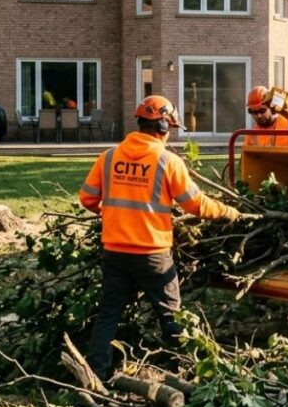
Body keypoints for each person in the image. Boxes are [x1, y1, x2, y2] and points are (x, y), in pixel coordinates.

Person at [78, 94, 241, 380]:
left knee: (108, 315)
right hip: (152, 254)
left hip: (115, 252)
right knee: (171, 315)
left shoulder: (109, 157)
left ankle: (95, 375)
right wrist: (228, 212)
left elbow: (87, 198)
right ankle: (187, 371)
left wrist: (113, 215)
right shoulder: (167, 161)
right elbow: (196, 205)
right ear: (164, 126)